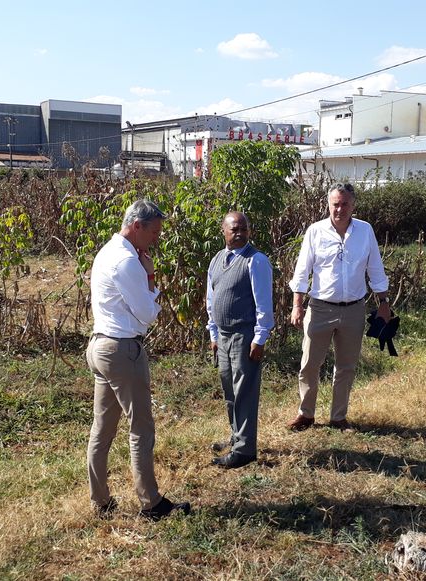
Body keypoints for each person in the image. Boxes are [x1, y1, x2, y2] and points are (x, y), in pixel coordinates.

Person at [85, 199, 191, 521]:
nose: (156, 238)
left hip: (101, 346)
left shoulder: (109, 251)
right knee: (141, 428)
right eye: (154, 231)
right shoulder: (128, 262)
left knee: (102, 429)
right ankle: (151, 503)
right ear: (137, 227)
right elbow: (147, 315)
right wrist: (150, 277)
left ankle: (100, 501)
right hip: (122, 351)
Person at [287, 183, 390, 432]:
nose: (339, 209)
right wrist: (297, 305)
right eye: (335, 204)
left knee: (346, 366)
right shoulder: (316, 231)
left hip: (354, 309)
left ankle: (338, 417)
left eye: (344, 204)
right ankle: (306, 415)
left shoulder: (365, 231)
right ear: (328, 204)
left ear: (353, 205)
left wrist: (384, 303)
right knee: (310, 363)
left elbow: (375, 269)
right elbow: (302, 270)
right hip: (320, 308)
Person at [206, 212, 273, 469]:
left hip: (244, 335)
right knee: (230, 390)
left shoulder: (255, 261)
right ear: (223, 230)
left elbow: (264, 304)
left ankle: (244, 450)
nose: (240, 233)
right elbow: (211, 300)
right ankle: (237, 436)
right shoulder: (217, 260)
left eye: (244, 229)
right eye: (234, 229)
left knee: (245, 391)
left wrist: (260, 337)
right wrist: (213, 333)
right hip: (222, 336)